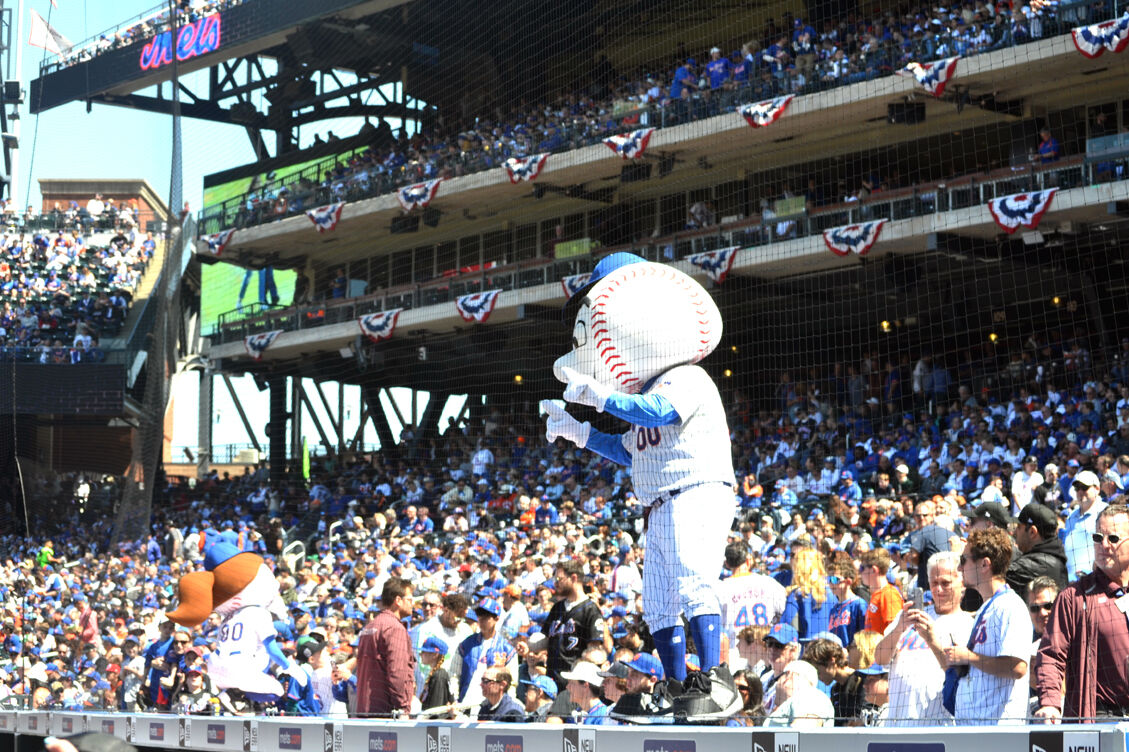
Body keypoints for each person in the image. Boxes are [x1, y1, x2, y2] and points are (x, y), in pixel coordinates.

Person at [545, 252, 733, 686]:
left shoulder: (687, 376)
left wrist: (604, 399)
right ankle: (674, 685)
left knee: (693, 586)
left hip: (695, 491)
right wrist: (580, 431)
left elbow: (659, 412)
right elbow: (631, 450)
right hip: (659, 504)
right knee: (660, 605)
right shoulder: (646, 391)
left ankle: (713, 678)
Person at [1035, 503, 1129, 722]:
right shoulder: (1074, 597)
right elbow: (1051, 654)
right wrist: (1050, 702)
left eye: (1113, 538)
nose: (1104, 545)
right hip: (1100, 717)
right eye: (1098, 538)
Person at [875, 551, 973, 726]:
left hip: (936, 725)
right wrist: (899, 628)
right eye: (934, 583)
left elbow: (961, 677)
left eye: (945, 583)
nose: (938, 589)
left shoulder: (968, 625)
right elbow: (879, 658)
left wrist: (932, 641)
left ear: (962, 583)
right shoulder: (910, 616)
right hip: (897, 723)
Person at [946, 527, 1030, 725]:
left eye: (963, 560)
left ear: (984, 564)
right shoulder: (988, 606)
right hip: (977, 728)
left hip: (998, 731)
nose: (959, 568)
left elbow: (1017, 667)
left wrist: (968, 656)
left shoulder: (1010, 605)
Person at [717, 540, 787, 665]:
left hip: (739, 650)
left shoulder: (721, 588)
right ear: (748, 560)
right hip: (767, 647)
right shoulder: (769, 582)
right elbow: (784, 611)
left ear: (727, 564)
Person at [354, 577, 416, 718]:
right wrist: (402, 708)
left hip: (365, 709)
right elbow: (398, 672)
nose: (413, 604)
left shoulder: (370, 626)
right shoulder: (395, 628)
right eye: (410, 600)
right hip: (386, 714)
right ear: (398, 600)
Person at [452, 598, 518, 705]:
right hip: (465, 704)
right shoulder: (466, 644)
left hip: (491, 707)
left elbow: (512, 684)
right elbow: (454, 674)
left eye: (486, 616)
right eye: (479, 615)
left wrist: (504, 706)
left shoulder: (507, 649)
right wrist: (455, 698)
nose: (481, 620)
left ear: (496, 618)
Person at [1006, 502, 1067, 600]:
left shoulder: (1032, 566)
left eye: (1019, 527)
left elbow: (993, 580)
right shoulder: (1056, 555)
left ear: (1032, 532)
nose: (1014, 532)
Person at [1061, 470, 1106, 580]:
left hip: (1096, 579)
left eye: (1084, 487)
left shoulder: (1105, 512)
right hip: (1071, 581)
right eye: (1077, 488)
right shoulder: (1071, 516)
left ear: (1097, 489)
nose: (1080, 491)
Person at [762, 660, 835, 727]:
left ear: (789, 675)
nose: (776, 683)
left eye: (778, 678)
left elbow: (805, 730)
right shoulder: (803, 697)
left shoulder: (809, 695)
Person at [908, 500, 958, 590]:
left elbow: (913, 556)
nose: (921, 518)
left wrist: (920, 563)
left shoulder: (926, 530)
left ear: (932, 518)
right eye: (918, 515)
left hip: (930, 586)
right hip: (952, 583)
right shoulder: (953, 534)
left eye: (925, 515)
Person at [860, 548, 903, 635]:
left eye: (862, 568)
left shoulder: (889, 594)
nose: (860, 572)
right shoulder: (877, 594)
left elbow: (896, 633)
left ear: (873, 569)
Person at [419, 636, 454, 712]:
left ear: (435, 655)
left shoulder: (439, 676)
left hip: (436, 723)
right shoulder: (437, 673)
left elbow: (435, 711)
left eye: (423, 652)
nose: (420, 654)